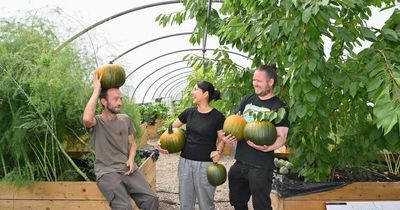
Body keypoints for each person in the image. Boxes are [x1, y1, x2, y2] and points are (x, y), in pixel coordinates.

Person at [83, 71, 159, 210]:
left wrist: (130, 159)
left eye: (121, 99)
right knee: (124, 207)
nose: (120, 102)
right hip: (107, 173)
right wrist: (96, 90)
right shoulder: (97, 122)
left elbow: (132, 143)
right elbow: (87, 119)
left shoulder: (125, 119)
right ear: (104, 102)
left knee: (151, 199)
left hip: (127, 169)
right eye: (115, 99)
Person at [222, 64, 290, 210]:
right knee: (237, 201)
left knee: (261, 205)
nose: (254, 83)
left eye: (258, 80)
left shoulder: (279, 107)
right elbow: (236, 123)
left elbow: (282, 136)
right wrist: (229, 137)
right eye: (254, 80)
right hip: (240, 161)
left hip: (261, 165)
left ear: (270, 82)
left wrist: (269, 148)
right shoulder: (248, 100)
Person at [157, 81, 226, 210]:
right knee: (185, 202)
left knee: (206, 203)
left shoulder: (217, 117)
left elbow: (222, 139)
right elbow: (171, 128)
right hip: (185, 162)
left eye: (195, 89)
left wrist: (218, 151)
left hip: (206, 165)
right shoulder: (189, 113)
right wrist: (163, 143)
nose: (192, 92)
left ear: (205, 94)